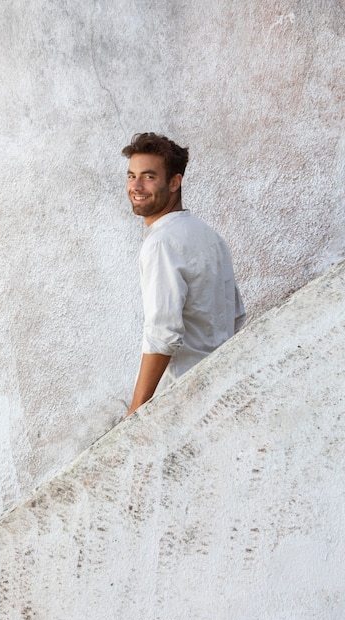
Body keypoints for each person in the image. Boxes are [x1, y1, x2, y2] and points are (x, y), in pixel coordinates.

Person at [123, 132, 246, 416]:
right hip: (221, 390)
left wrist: (135, 411)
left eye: (149, 177)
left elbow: (162, 334)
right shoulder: (208, 235)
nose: (136, 186)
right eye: (132, 176)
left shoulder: (161, 242)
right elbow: (236, 316)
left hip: (185, 400)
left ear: (175, 182)